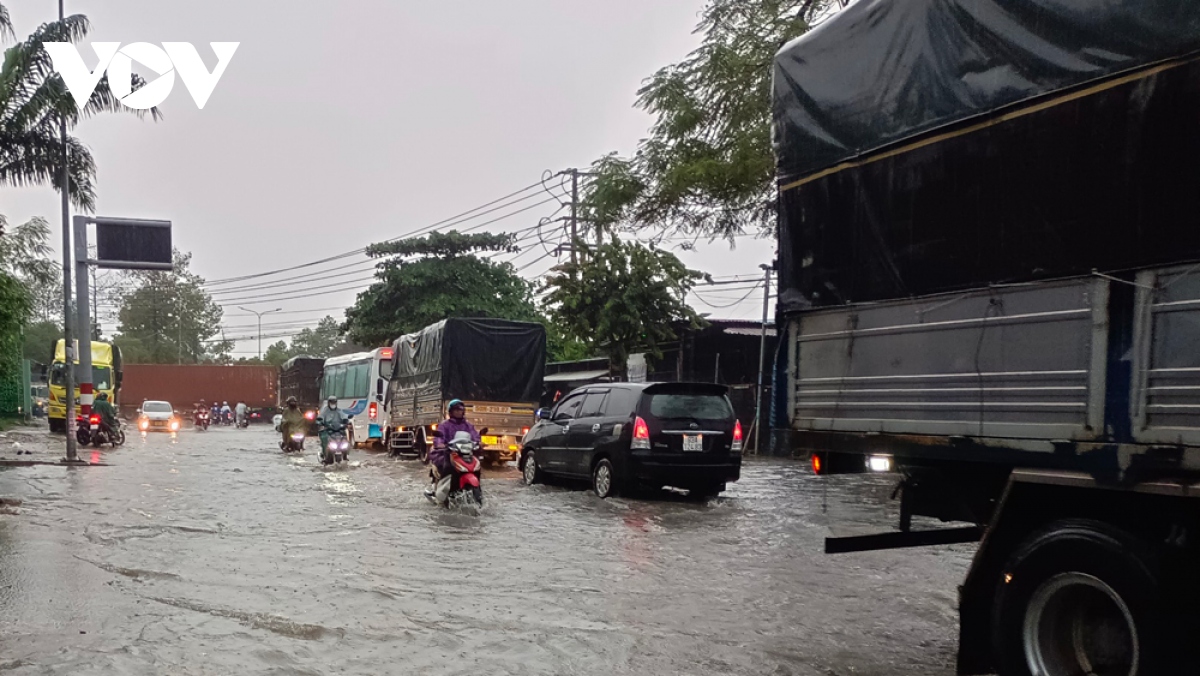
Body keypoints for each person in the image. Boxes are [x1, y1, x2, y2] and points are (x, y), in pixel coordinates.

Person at [425, 399, 480, 498]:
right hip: (448, 453)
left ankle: (478, 490)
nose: (459, 412)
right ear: (451, 412)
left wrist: (478, 442)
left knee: (477, 466)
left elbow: (474, 436)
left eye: (461, 410)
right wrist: (441, 444)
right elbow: (439, 438)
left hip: (465, 453)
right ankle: (439, 489)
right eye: (456, 410)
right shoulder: (445, 425)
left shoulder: (468, 425)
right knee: (447, 466)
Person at [317, 396, 347, 462]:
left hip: (338, 430)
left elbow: (344, 416)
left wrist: (346, 421)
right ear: (329, 402)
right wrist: (320, 422)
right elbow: (320, 417)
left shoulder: (339, 411)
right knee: (325, 438)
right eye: (332, 402)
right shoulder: (325, 410)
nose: (333, 404)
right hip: (328, 430)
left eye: (334, 402)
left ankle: (345, 455)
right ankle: (325, 455)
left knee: (344, 438)